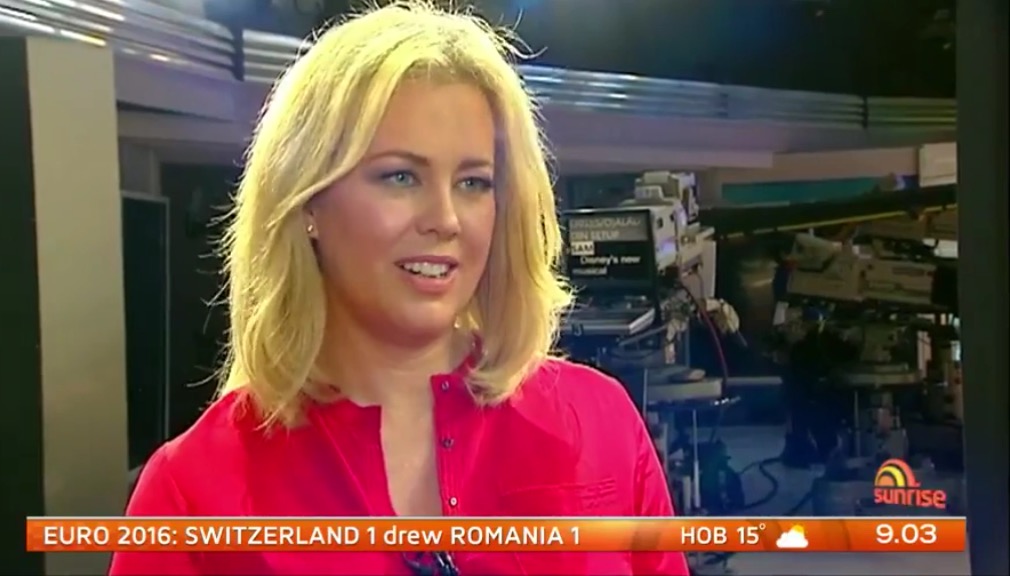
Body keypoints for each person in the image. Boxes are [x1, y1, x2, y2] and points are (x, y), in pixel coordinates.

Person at [110, 2, 688, 574]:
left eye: (473, 182)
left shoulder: (600, 423)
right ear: (308, 201)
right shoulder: (193, 491)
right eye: (401, 176)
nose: (446, 219)